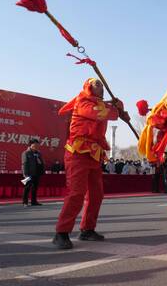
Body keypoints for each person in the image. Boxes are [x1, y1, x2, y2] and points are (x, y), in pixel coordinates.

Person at [52, 78, 128, 249]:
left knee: (96, 194)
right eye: (96, 84)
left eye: (101, 84)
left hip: (94, 154)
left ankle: (87, 229)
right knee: (76, 193)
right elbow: (100, 112)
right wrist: (117, 108)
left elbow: (110, 111)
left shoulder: (101, 104)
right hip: (78, 153)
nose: (100, 87)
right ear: (88, 87)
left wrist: (118, 106)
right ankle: (61, 233)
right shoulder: (83, 102)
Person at [21, 138, 45, 207]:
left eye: (38, 144)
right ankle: (25, 202)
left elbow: (41, 162)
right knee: (27, 187)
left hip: (37, 173)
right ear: (31, 145)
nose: (37, 146)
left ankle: (34, 201)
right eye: (35, 144)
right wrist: (25, 174)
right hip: (29, 173)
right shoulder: (26, 153)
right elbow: (24, 164)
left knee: (35, 188)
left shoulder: (38, 153)